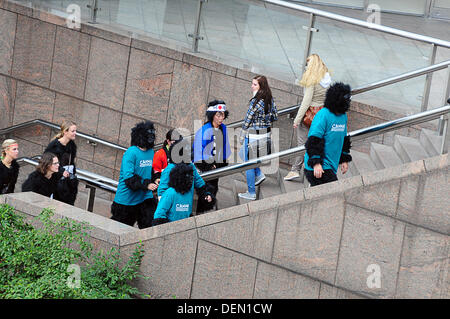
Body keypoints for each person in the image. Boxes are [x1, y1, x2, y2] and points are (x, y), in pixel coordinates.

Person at [285, 54, 332, 181]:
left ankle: (295, 170)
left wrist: (297, 119)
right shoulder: (327, 79)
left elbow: (306, 101)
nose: (306, 66)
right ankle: (315, 170)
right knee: (317, 143)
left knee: (302, 144)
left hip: (309, 115)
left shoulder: (312, 79)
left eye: (308, 64)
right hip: (322, 115)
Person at [110, 120, 159, 229]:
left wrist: (156, 179)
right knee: (120, 232)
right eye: (148, 133)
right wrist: (146, 185)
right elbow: (129, 179)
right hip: (126, 201)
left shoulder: (151, 152)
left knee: (150, 228)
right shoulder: (131, 152)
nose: (151, 136)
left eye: (153, 133)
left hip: (145, 198)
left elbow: (150, 171)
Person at [303, 82, 352, 187]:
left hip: (330, 165)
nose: (348, 100)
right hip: (319, 166)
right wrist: (316, 163)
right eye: (346, 98)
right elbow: (313, 140)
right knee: (334, 194)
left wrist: (344, 160)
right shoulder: (323, 115)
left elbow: (344, 140)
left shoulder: (343, 117)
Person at [238, 75, 278, 201]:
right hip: (265, 134)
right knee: (242, 154)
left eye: (255, 84)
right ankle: (259, 174)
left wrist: (242, 134)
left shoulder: (256, 101)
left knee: (248, 163)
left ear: (261, 86)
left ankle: (251, 192)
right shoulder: (270, 99)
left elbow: (247, 120)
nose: (252, 86)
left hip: (254, 135)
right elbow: (275, 116)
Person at [193, 100, 231, 213]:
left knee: (214, 188)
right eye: (219, 115)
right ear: (212, 116)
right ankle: (200, 211)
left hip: (216, 165)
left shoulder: (223, 128)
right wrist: (209, 165)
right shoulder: (204, 130)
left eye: (223, 114)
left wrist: (220, 163)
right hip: (204, 166)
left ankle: (208, 209)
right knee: (205, 190)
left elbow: (224, 147)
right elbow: (198, 151)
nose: (222, 117)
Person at [157, 137, 214, 210]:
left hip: (187, 205)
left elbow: (199, 182)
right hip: (173, 208)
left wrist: (206, 193)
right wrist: (164, 209)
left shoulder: (190, 166)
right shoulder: (170, 169)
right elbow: (162, 191)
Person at [44, 120, 78, 205]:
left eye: (75, 131)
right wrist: (61, 171)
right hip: (56, 179)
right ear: (65, 132)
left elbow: (72, 162)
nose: (75, 133)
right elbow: (46, 160)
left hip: (67, 180)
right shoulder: (54, 145)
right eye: (72, 131)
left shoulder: (72, 145)